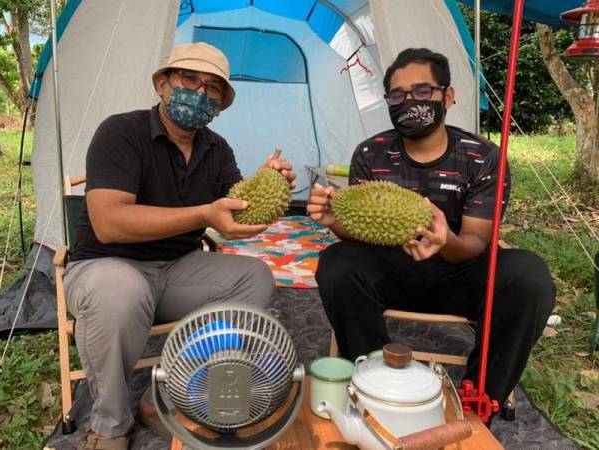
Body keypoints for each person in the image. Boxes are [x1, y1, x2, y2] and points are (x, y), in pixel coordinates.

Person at [64, 42, 296, 449]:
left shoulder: (217, 149)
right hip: (105, 265)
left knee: (254, 277)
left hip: (177, 268)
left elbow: (233, 215)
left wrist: (266, 185)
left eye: (213, 88)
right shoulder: (121, 131)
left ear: (221, 103)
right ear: (162, 84)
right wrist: (203, 215)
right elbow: (109, 223)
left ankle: (178, 395)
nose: (200, 93)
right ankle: (110, 422)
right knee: (120, 291)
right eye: (189, 79)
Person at [309, 48, 555, 409]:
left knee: (529, 275)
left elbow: (475, 243)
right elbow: (363, 230)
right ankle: (374, 383)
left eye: (422, 91)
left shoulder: (483, 157)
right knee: (337, 262)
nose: (409, 102)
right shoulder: (370, 154)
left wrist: (445, 242)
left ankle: (479, 399)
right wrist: (337, 223)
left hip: (460, 272)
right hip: (391, 269)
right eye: (397, 95)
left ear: (448, 96)